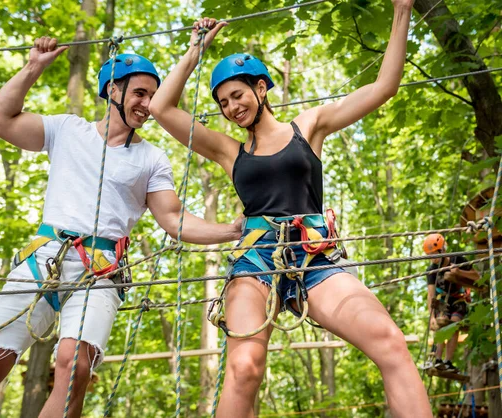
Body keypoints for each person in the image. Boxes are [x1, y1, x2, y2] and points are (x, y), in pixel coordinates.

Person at [149, 1, 431, 416]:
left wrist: (402, 10)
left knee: (389, 342)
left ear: (261, 88)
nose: (232, 107)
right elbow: (160, 108)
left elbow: (385, 86)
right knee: (244, 368)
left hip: (315, 255)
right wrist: (195, 50)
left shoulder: (308, 127)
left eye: (238, 94)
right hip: (255, 257)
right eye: (223, 102)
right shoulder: (230, 151)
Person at [0, 37, 241, 418]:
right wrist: (34, 67)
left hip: (101, 270)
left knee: (74, 368)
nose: (148, 105)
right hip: (45, 258)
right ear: (112, 89)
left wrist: (231, 230)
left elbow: (173, 220)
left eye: (153, 96)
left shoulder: (152, 158)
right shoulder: (67, 130)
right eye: (140, 93)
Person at [423, 233, 479, 373]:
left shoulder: (458, 259)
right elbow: (431, 295)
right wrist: (432, 317)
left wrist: (459, 271)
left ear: (443, 250)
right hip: (443, 302)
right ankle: (437, 360)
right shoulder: (431, 271)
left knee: (454, 325)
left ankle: (448, 362)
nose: (433, 259)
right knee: (442, 323)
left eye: (435, 254)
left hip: (459, 299)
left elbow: (477, 276)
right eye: (430, 256)